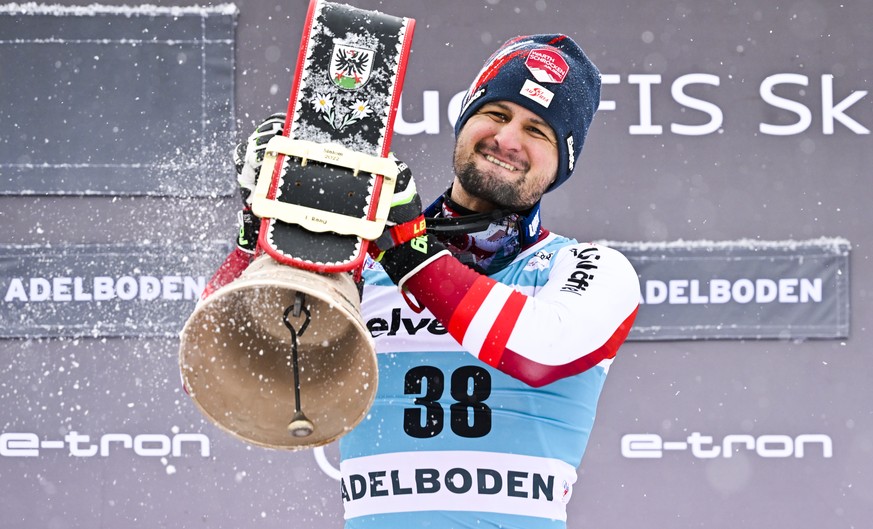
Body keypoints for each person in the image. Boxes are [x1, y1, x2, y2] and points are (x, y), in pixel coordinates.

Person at [205, 34, 640, 529]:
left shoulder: (590, 269)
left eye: (538, 131)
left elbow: (541, 351)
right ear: (466, 118)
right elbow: (227, 368)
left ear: (564, 161)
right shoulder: (363, 265)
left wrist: (408, 249)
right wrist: (257, 237)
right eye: (496, 114)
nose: (509, 139)